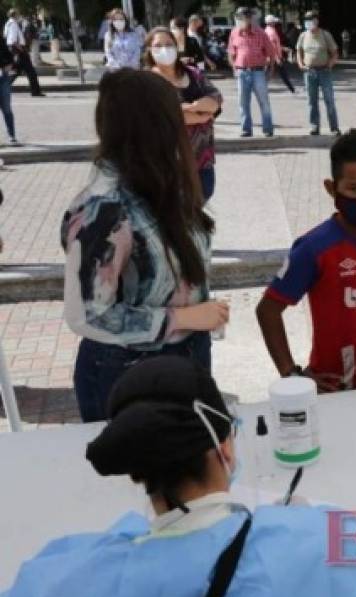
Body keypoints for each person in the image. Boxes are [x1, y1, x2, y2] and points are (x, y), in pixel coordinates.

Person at [0, 355, 356, 597]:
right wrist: (327, 520)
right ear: (225, 447)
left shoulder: (60, 580)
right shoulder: (311, 543)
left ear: (135, 470)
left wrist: (125, 538)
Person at [61, 70, 228, 422]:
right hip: (127, 372)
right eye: (174, 118)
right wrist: (182, 317)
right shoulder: (103, 208)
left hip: (187, 354)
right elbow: (88, 313)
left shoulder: (164, 183)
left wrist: (200, 311)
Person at [257, 129, 356, 391]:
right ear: (331, 188)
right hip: (335, 384)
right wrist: (292, 376)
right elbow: (268, 311)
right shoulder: (314, 247)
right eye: (354, 188)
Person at [146, 27, 223, 202]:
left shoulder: (193, 73)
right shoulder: (147, 81)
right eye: (158, 45)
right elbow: (160, 115)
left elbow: (216, 99)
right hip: (168, 162)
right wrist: (200, 115)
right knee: (174, 213)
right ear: (149, 50)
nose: (164, 49)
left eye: (169, 44)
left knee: (203, 195)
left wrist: (190, 106)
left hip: (201, 158)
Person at [228, 6, 278, 138]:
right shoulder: (234, 33)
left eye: (242, 18)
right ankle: (246, 129)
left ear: (249, 19)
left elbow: (271, 53)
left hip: (258, 72)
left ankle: (268, 129)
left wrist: (271, 69)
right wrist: (234, 68)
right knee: (243, 102)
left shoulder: (261, 33)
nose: (239, 21)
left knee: (263, 101)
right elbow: (231, 53)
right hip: (242, 72)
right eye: (238, 18)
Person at [297, 10, 341, 136]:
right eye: (306, 20)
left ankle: (334, 127)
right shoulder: (303, 36)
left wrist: (330, 64)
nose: (308, 22)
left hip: (324, 71)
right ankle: (314, 126)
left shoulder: (325, 35)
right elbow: (299, 51)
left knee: (329, 100)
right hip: (309, 72)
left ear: (316, 21)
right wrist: (300, 64)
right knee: (312, 101)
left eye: (310, 19)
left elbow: (335, 53)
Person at [5, 9, 43, 96]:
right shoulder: (13, 24)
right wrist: (22, 50)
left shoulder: (9, 23)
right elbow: (13, 40)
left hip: (16, 50)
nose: (19, 16)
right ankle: (35, 92)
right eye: (18, 14)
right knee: (31, 71)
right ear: (15, 15)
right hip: (19, 50)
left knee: (17, 71)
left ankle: (35, 91)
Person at [265, 15, 296, 94]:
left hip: (271, 57)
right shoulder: (271, 32)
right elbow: (272, 46)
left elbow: (275, 45)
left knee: (269, 72)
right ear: (271, 23)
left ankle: (261, 87)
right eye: (274, 22)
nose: (275, 23)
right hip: (274, 57)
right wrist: (277, 58)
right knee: (281, 73)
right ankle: (292, 89)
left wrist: (283, 48)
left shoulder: (270, 31)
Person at [0, 35, 15, 145]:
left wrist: (8, 66)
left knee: (6, 108)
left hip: (2, 78)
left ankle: (11, 135)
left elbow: (9, 56)